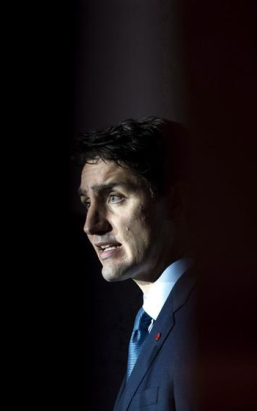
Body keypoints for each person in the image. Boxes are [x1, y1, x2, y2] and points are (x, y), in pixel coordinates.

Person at [73, 116, 198, 411]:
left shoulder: (202, 325)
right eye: (87, 203)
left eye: (115, 197)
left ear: (176, 202)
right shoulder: (152, 321)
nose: (91, 225)